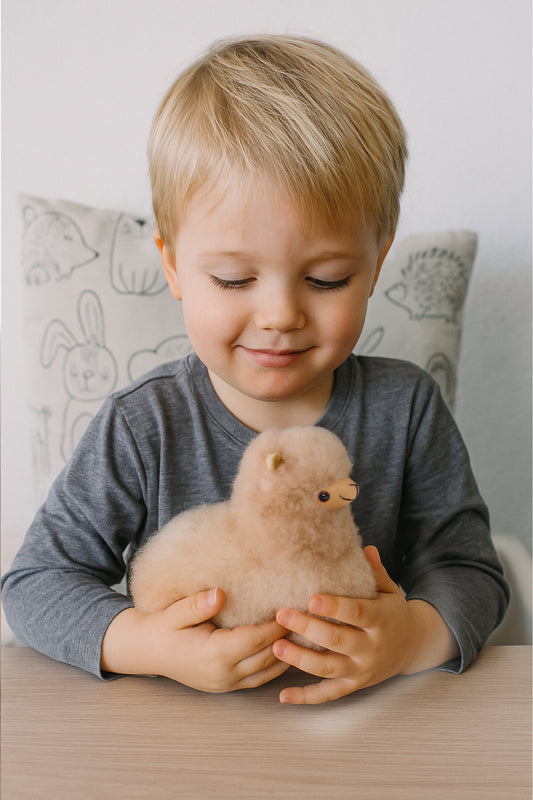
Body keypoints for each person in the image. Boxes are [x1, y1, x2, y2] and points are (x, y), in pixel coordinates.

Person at [2, 35, 509, 705]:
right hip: (175, 732)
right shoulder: (142, 423)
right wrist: (147, 645)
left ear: (375, 264)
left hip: (367, 730)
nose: (280, 315)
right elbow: (36, 584)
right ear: (173, 266)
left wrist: (413, 636)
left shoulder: (405, 407)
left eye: (326, 279)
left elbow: (472, 569)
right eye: (234, 279)